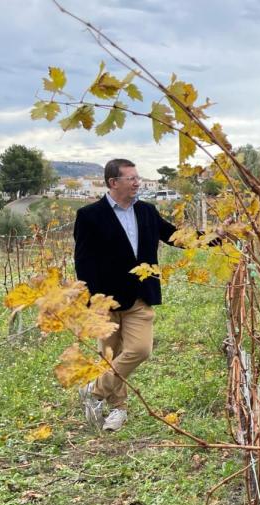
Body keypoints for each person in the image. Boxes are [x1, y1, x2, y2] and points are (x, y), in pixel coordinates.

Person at [74, 158, 181, 432]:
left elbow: (175, 236)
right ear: (113, 183)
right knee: (111, 355)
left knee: (139, 349)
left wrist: (217, 236)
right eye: (131, 178)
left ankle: (94, 391)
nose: (137, 182)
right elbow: (83, 262)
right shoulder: (89, 215)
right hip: (105, 301)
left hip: (140, 297)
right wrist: (91, 303)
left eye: (137, 177)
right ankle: (118, 411)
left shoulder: (147, 211)